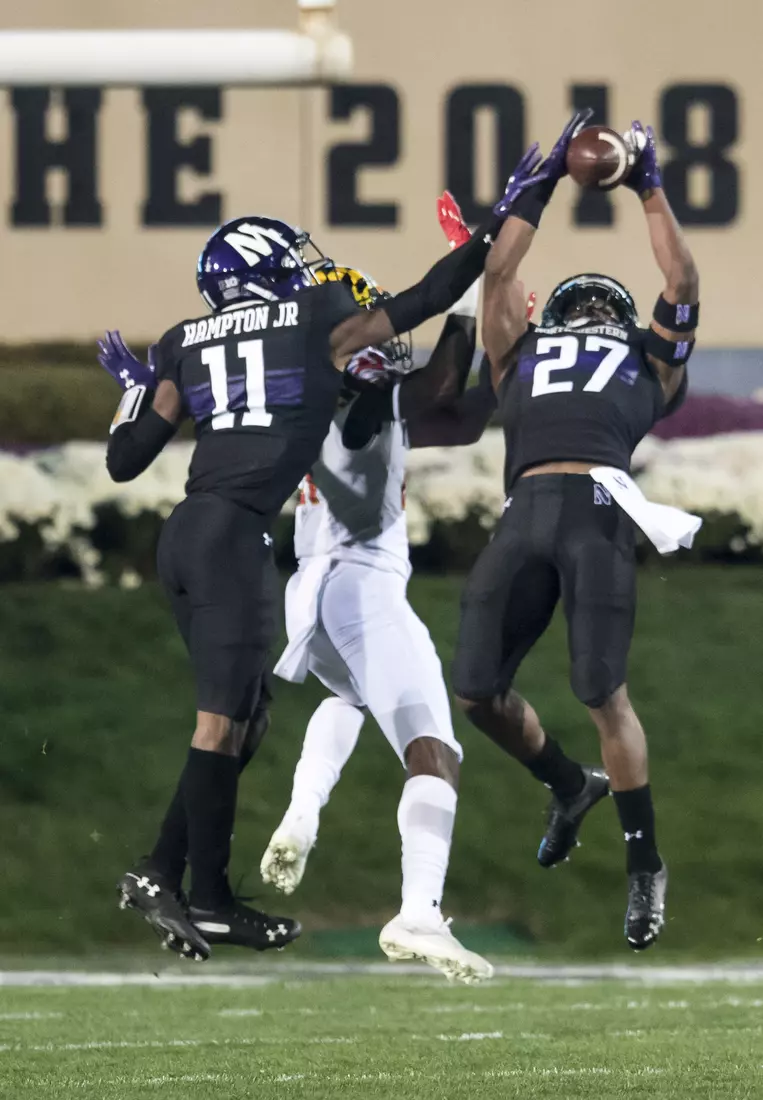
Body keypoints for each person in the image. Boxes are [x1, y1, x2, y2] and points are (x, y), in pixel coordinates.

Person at [98, 202, 514, 961]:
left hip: (190, 535)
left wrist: (141, 384)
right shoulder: (314, 333)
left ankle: (164, 869)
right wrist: (494, 236)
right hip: (245, 541)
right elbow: (434, 339)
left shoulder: (184, 340)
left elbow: (125, 459)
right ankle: (213, 897)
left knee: (247, 715)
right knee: (224, 722)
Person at [451, 116, 699, 950]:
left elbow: (680, 276)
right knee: (475, 690)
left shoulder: (649, 359)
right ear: (545, 315)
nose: (593, 308)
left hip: (595, 512)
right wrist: (545, 179)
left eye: (606, 303)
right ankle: (566, 784)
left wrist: (648, 185)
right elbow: (498, 269)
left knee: (601, 690)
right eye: (578, 301)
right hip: (524, 514)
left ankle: (643, 869)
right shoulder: (515, 352)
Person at [260, 195, 497, 984]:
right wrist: (470, 286)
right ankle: (419, 911)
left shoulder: (300, 392)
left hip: (312, 590)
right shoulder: (357, 385)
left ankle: (301, 813)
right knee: (435, 746)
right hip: (358, 584)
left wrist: (507, 338)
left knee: (351, 699)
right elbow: (437, 384)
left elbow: (459, 419)